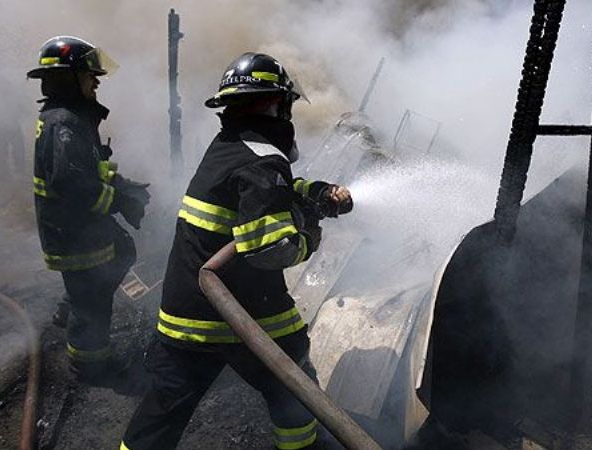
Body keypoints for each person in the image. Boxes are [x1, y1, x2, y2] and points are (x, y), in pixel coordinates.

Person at [120, 52, 352, 450]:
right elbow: (271, 248)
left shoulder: (230, 146)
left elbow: (259, 193)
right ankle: (302, 447)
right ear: (276, 104)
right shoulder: (263, 160)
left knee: (162, 410)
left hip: (185, 310)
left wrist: (312, 191)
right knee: (293, 384)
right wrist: (309, 238)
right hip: (243, 309)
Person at [27, 36, 151, 385]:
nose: (96, 82)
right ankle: (90, 364)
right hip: (72, 232)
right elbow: (72, 185)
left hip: (81, 226)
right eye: (89, 75)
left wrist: (123, 186)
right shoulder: (63, 123)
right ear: (69, 79)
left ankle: (70, 305)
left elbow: (89, 170)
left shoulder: (71, 118)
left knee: (122, 252)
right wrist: (120, 201)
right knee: (93, 300)